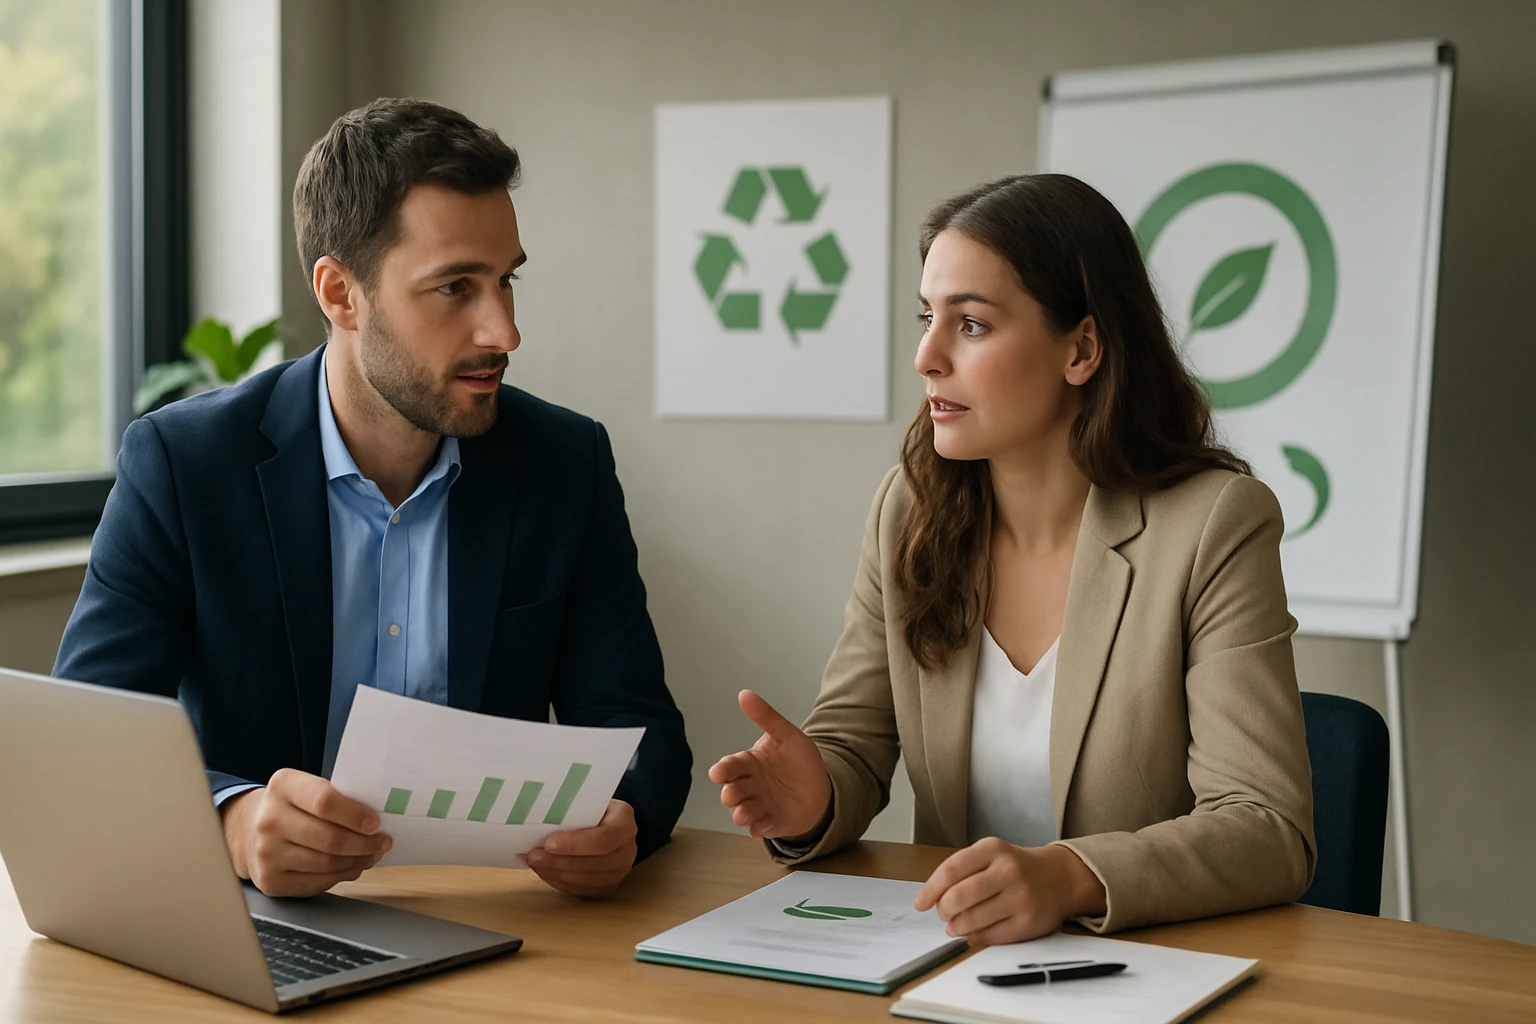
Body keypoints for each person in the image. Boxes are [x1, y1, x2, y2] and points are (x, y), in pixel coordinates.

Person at [54, 98, 691, 900]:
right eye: (456, 287)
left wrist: (625, 814)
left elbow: (643, 733)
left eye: (506, 281)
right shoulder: (185, 466)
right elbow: (86, 742)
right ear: (340, 294)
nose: (505, 331)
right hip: (257, 927)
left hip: (491, 925)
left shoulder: (565, 463)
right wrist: (233, 823)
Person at [710, 174, 1315, 945]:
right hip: (951, 961)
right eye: (928, 318)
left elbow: (1266, 827)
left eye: (971, 324)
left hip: (1139, 969)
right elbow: (854, 746)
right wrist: (815, 800)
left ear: (1083, 348)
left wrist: (1066, 877)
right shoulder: (907, 510)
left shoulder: (1213, 524)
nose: (927, 357)